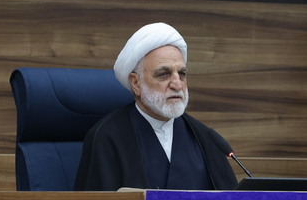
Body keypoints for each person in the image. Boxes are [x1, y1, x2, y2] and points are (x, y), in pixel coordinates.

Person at [74, 22, 238, 191]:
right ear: (136, 83)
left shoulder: (204, 137)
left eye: (181, 74)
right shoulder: (107, 137)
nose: (177, 84)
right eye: (164, 74)